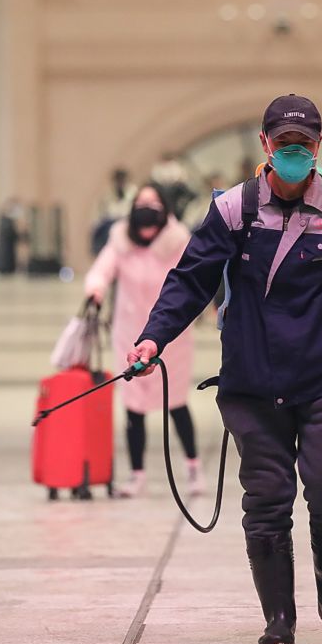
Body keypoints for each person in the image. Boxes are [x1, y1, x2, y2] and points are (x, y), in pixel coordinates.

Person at [129, 94, 322, 644]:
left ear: (318, 148)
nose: (293, 153)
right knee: (267, 497)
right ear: (265, 146)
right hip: (253, 381)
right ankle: (279, 618)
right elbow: (190, 278)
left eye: (304, 144)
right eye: (283, 143)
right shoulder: (234, 210)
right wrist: (154, 335)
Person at [85, 183, 203, 499]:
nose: (148, 209)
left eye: (154, 203)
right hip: (129, 331)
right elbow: (101, 271)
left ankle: (193, 467)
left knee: (176, 402)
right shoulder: (120, 240)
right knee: (133, 407)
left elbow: (197, 276)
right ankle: (137, 475)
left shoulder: (178, 241)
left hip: (171, 337)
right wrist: (95, 290)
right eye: (142, 203)